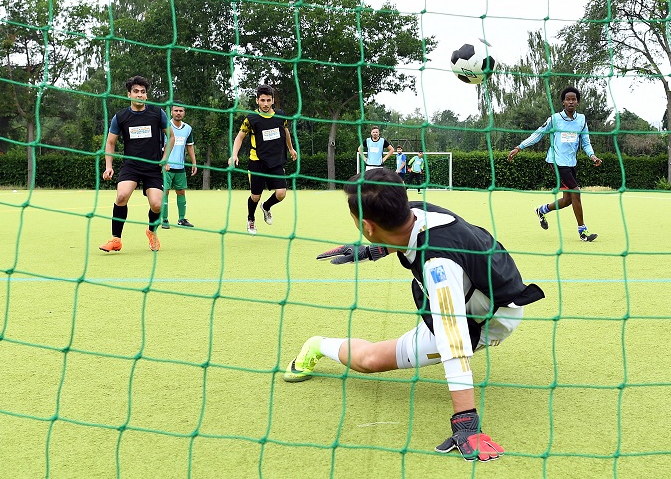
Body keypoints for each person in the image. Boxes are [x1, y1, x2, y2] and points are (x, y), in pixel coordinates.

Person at [284, 168, 545, 462]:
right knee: (381, 357)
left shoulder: (438, 267)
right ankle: (316, 346)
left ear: (367, 226)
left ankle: (317, 343)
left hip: (488, 323)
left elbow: (454, 341)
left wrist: (467, 423)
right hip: (493, 299)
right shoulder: (415, 211)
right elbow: (411, 235)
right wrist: (372, 251)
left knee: (369, 360)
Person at [507, 86, 602, 242]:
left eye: (574, 99)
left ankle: (542, 210)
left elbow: (585, 142)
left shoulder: (582, 120)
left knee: (568, 200)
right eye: (568, 99)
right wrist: (519, 147)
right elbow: (538, 134)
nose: (571, 102)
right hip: (556, 161)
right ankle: (583, 231)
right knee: (576, 192)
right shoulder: (555, 119)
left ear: (577, 102)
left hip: (571, 162)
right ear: (563, 102)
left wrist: (592, 156)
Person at [100, 76, 174, 252]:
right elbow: (110, 143)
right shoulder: (121, 117)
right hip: (131, 166)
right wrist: (108, 166)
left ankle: (151, 231)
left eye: (143, 92)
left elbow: (171, 137)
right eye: (136, 91)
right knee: (121, 196)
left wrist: (165, 158)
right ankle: (116, 239)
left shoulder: (158, 113)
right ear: (129, 95)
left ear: (146, 96)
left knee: (157, 204)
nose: (139, 95)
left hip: (153, 167)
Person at [229, 85, 297, 236]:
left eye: (268, 100)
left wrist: (291, 148)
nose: (265, 104)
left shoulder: (280, 116)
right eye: (262, 100)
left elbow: (285, 132)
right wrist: (234, 155)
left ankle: (266, 207)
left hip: (276, 161)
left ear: (273, 101)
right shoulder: (251, 119)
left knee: (281, 193)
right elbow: (240, 137)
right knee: (255, 196)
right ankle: (251, 218)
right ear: (257, 101)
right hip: (257, 161)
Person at [161, 103, 197, 229]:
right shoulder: (165, 127)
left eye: (181, 110)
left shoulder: (188, 128)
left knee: (181, 192)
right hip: (166, 167)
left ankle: (181, 219)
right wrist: (163, 162)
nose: (178, 113)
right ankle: (164, 219)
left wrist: (194, 162)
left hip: (180, 167)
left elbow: (190, 146)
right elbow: (160, 145)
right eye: (176, 110)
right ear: (171, 112)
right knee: (164, 192)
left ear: (184, 112)